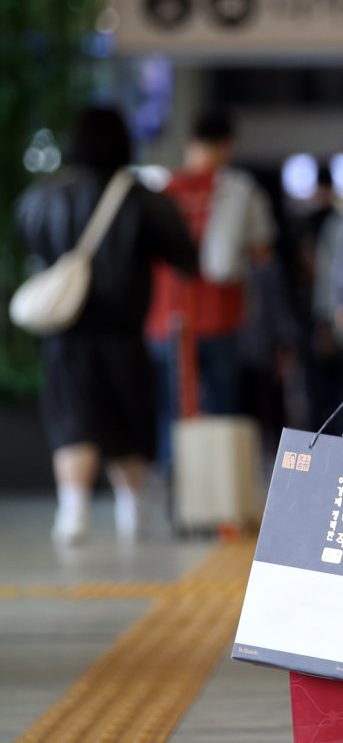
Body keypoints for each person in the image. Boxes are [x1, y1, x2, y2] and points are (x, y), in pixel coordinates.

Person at [15, 105, 198, 544]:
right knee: (127, 422)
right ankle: (132, 509)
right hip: (124, 335)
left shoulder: (43, 197)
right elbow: (185, 256)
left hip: (65, 334)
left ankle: (73, 510)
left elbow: (26, 239)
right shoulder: (140, 199)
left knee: (73, 419)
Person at [146, 107, 276, 470]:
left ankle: (178, 487)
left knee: (173, 412)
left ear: (190, 142)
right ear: (227, 145)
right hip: (221, 315)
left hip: (167, 318)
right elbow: (262, 252)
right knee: (222, 409)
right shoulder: (241, 190)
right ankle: (219, 487)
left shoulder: (163, 191)